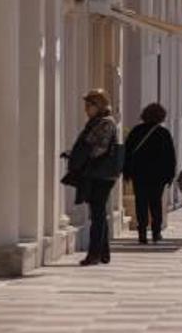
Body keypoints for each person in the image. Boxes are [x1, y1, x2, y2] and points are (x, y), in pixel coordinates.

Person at [65, 89, 121, 266]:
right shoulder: (96, 122)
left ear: (99, 106)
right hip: (97, 173)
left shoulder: (105, 123)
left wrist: (83, 158)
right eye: (86, 105)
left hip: (101, 174)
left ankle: (94, 254)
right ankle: (103, 253)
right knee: (98, 212)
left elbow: (100, 148)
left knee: (97, 214)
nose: (86, 109)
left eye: (90, 105)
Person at [123, 103, 177, 245]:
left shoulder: (136, 131)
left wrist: (127, 172)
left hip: (139, 174)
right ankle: (156, 232)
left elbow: (127, 153)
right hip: (157, 176)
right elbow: (170, 156)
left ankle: (142, 233)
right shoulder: (163, 133)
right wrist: (170, 175)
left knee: (140, 202)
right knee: (155, 202)